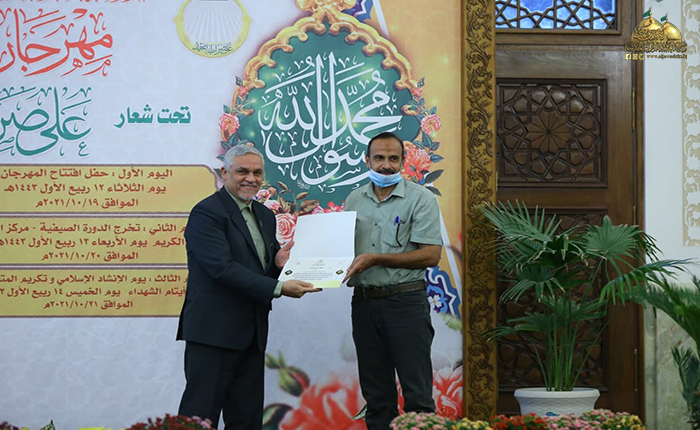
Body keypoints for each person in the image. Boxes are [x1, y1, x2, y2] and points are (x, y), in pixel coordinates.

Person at [176, 144, 321, 430]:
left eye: (257, 173)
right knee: (198, 418)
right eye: (242, 171)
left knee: (247, 420)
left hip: (251, 335)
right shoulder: (206, 213)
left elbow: (258, 271)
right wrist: (279, 288)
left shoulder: (264, 215)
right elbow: (222, 268)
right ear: (224, 172)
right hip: (212, 334)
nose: (251, 179)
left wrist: (279, 265)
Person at [343, 131, 443, 430]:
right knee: (376, 398)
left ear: (403, 161)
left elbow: (430, 255)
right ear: (367, 160)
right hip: (364, 304)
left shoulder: (421, 198)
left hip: (405, 302)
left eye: (393, 158)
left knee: (417, 395)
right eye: (379, 158)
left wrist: (376, 258)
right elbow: (341, 249)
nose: (386, 165)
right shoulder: (354, 199)